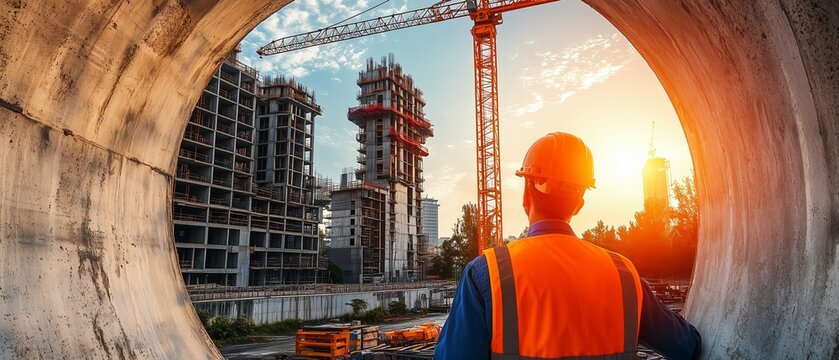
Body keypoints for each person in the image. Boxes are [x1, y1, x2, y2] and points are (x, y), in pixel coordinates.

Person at [435, 132, 701, 359]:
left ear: (527, 195)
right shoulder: (623, 274)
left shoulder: (486, 273)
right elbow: (687, 346)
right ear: (579, 203)